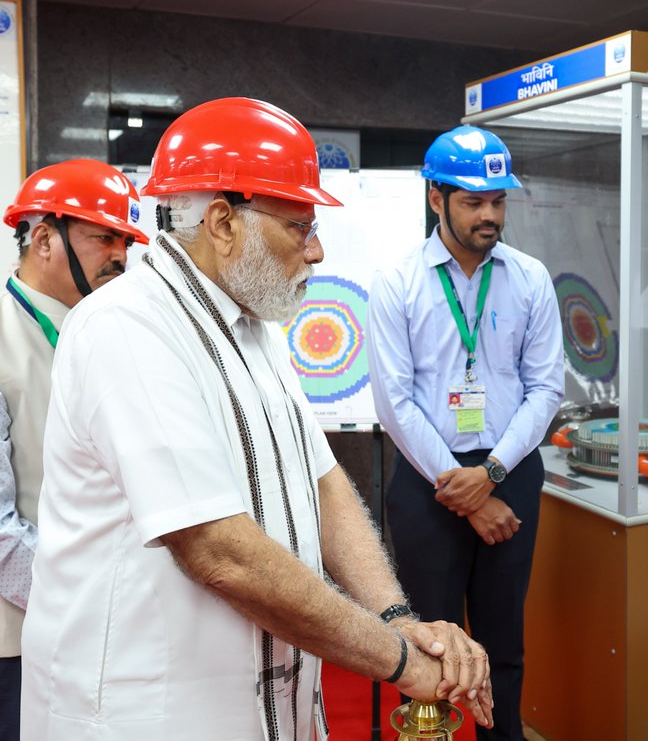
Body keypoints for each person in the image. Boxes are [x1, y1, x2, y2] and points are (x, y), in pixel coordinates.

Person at [21, 98, 493, 741]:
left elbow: (324, 483)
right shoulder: (125, 326)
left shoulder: (255, 328)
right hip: (149, 713)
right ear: (222, 223)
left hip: (266, 704)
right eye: (301, 226)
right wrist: (401, 661)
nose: (319, 250)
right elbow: (219, 552)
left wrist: (397, 617)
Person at [368, 124, 564, 741]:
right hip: (429, 479)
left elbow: (546, 388)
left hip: (509, 470)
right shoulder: (398, 281)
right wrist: (463, 489)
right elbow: (394, 400)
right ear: (436, 198)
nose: (489, 215)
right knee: (431, 645)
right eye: (474, 201)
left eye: (498, 201)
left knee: (503, 641)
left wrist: (491, 477)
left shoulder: (530, 277)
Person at [0, 158, 147, 741]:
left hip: (116, 628)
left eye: (126, 239)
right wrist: (80, 602)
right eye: (103, 236)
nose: (120, 254)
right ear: (42, 239)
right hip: (24, 634)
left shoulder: (117, 333)